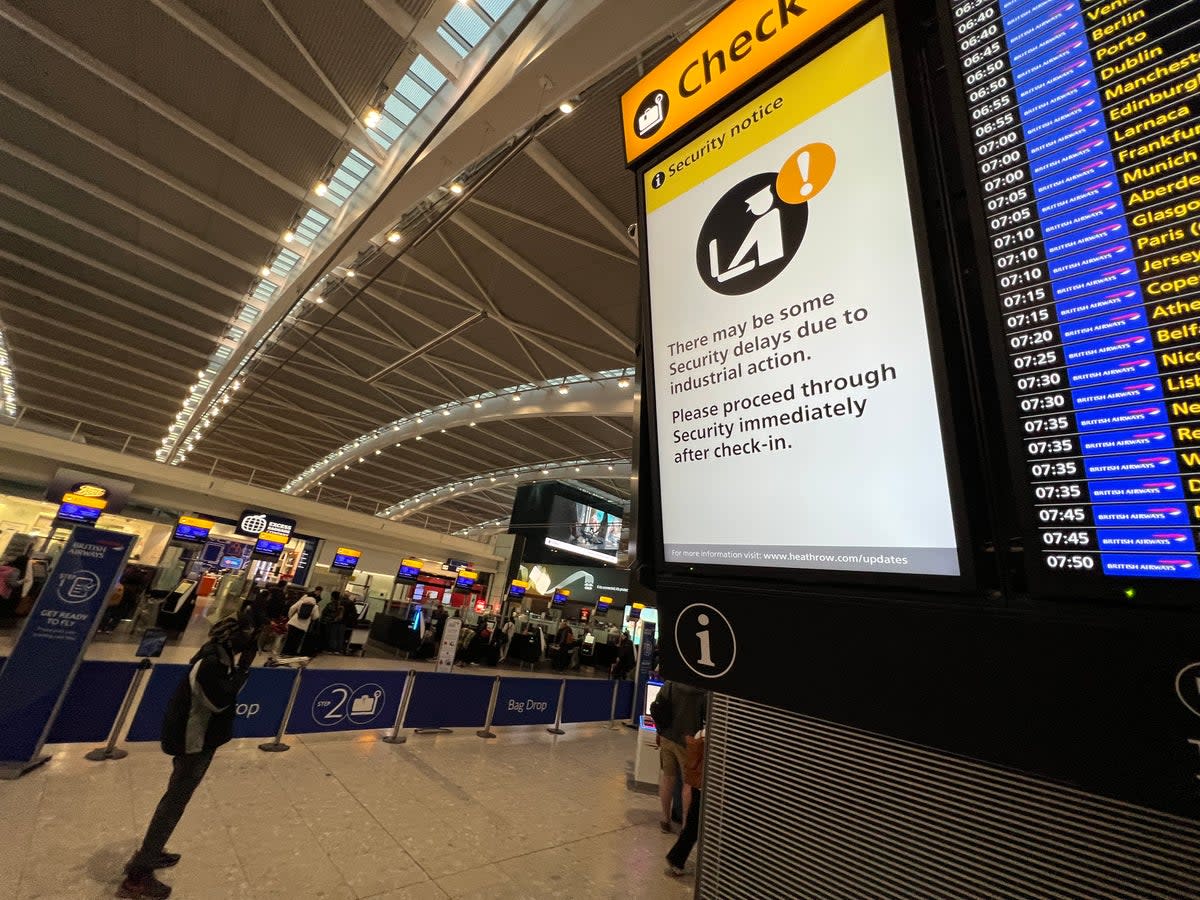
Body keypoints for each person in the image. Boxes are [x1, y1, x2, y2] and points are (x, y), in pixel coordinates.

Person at [118, 616, 255, 899]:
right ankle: (138, 875)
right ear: (231, 638)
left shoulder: (218, 656)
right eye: (245, 635)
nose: (249, 640)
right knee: (174, 801)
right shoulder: (211, 663)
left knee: (176, 798)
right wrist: (243, 671)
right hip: (193, 742)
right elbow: (220, 701)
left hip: (200, 737)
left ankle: (151, 852)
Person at [652, 680, 706, 834]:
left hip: (667, 737)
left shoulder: (670, 684)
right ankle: (685, 827)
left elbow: (658, 707)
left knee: (667, 778)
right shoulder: (704, 691)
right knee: (688, 784)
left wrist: (659, 731)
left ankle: (665, 819)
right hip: (689, 743)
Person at [666, 727, 705, 877]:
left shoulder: (700, 734)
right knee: (694, 826)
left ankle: (676, 858)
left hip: (698, 784)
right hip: (710, 789)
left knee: (693, 824)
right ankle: (676, 859)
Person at [283, 586, 321, 655]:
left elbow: (292, 608)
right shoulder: (315, 606)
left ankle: (285, 652)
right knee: (297, 640)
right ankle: (292, 653)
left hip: (293, 623)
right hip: (303, 625)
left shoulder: (301, 602)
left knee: (289, 638)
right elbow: (316, 617)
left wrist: (290, 617)